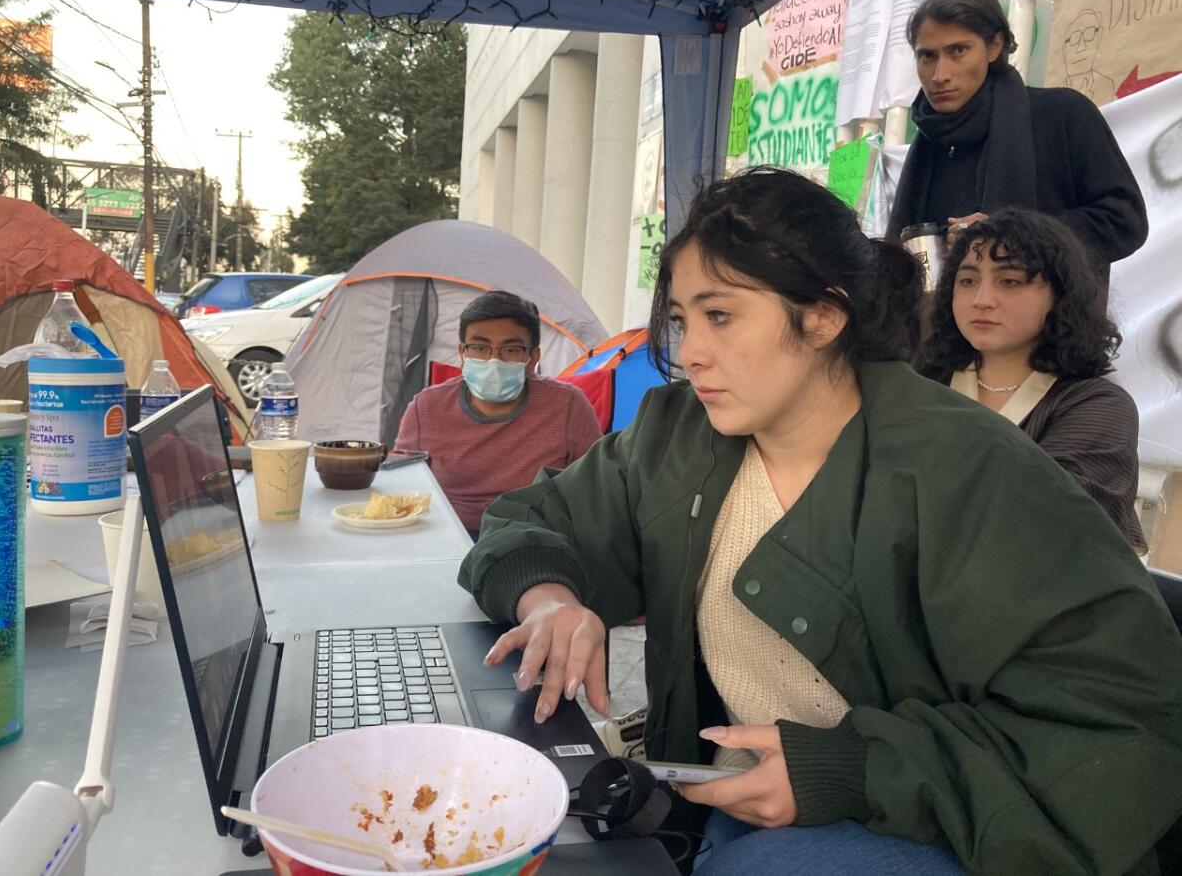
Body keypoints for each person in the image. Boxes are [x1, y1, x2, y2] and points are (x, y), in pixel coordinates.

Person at [458, 168, 1182, 873]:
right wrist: (550, 597)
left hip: (932, 825)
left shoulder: (966, 468)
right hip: (724, 805)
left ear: (825, 317)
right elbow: (531, 519)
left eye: (720, 315)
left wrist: (852, 770)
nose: (691, 352)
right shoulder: (679, 432)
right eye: (680, 320)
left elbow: (1118, 721)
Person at [917, 208, 1147, 552]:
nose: (981, 300)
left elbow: (1049, 523)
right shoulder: (922, 383)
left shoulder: (1099, 405)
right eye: (967, 280)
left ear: (1060, 294)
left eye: (1009, 281)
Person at [887, 0, 1147, 276]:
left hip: (1054, 320)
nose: (940, 75)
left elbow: (1124, 221)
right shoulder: (930, 144)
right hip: (939, 321)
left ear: (994, 46)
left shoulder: (1061, 115)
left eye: (958, 50)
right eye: (927, 56)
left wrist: (1015, 236)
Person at [394, 290, 601, 538]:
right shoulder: (426, 407)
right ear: (463, 353)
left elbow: (596, 487)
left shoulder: (568, 406)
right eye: (480, 348)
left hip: (535, 537)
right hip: (447, 536)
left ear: (532, 357)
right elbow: (402, 484)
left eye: (511, 350)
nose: (494, 360)